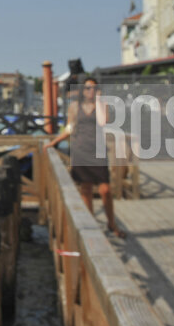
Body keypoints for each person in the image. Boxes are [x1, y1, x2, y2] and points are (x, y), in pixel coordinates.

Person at [46, 76, 125, 239]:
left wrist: (99, 101)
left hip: (97, 151)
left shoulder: (103, 106)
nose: (91, 90)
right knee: (86, 189)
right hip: (80, 150)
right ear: (83, 90)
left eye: (94, 88)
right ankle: (92, 224)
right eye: (88, 88)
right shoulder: (75, 107)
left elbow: (104, 122)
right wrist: (54, 142)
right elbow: (69, 129)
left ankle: (112, 223)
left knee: (106, 190)